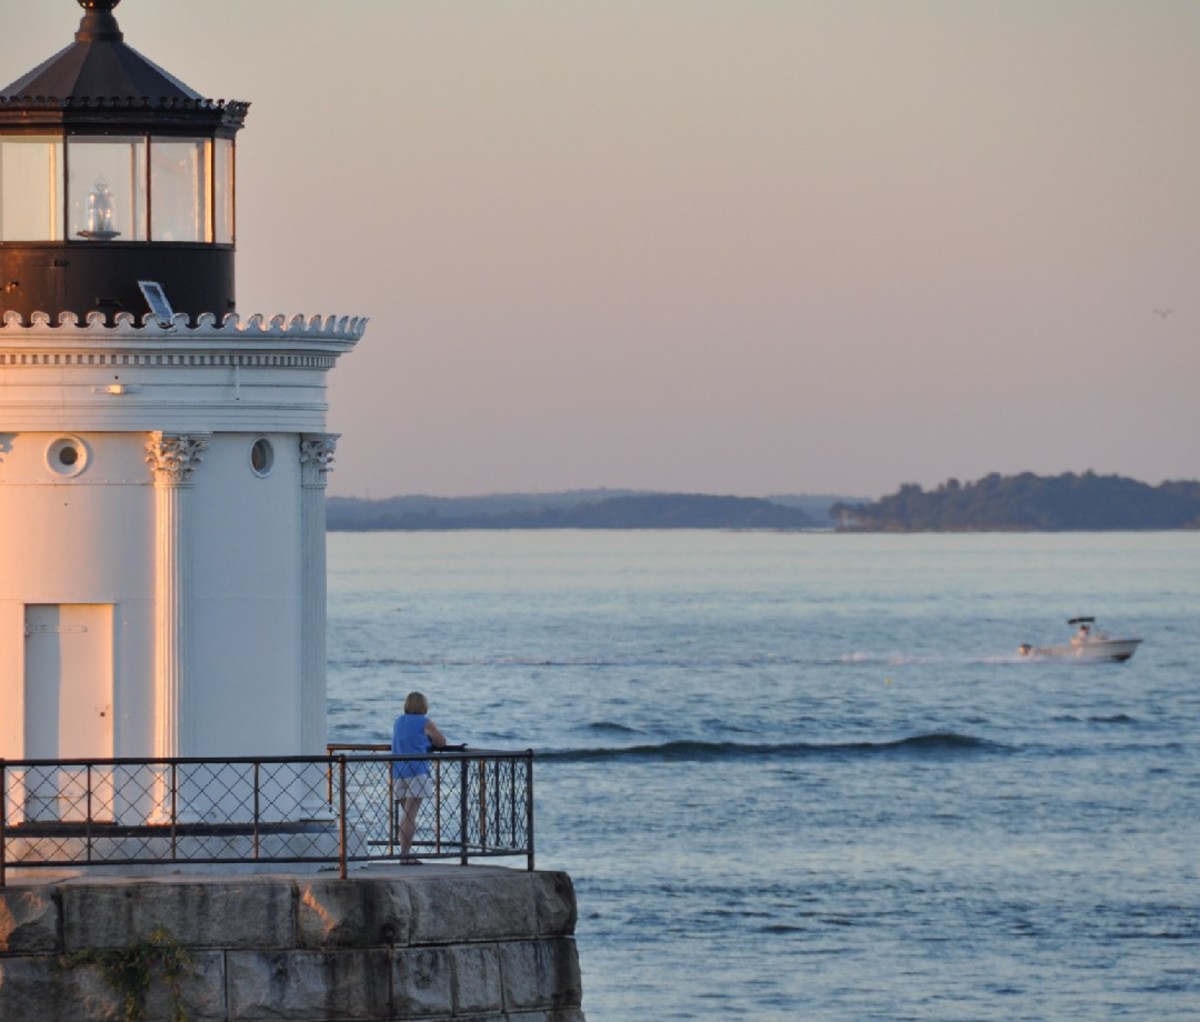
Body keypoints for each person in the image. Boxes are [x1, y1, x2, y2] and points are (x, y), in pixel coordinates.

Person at [391, 691, 448, 864]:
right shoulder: (425, 722)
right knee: (410, 816)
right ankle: (405, 855)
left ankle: (404, 853)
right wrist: (428, 742)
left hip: (398, 771)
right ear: (423, 706)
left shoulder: (398, 721)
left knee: (406, 815)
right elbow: (442, 742)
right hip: (417, 772)